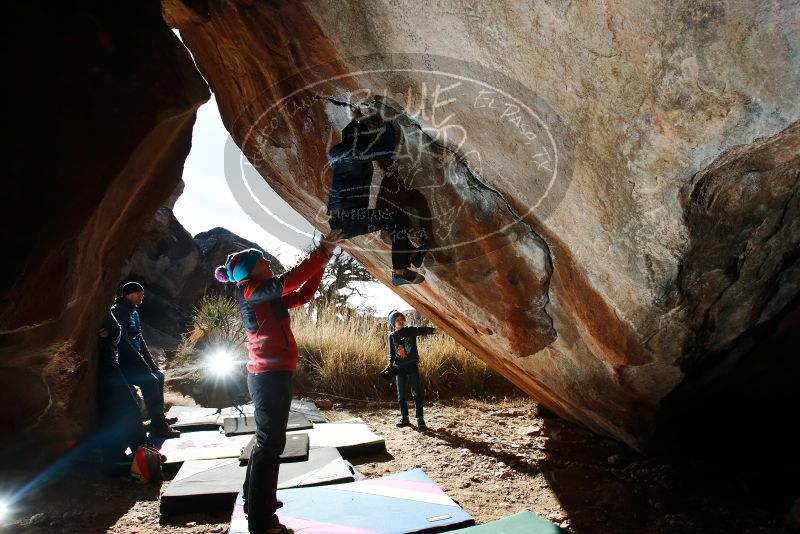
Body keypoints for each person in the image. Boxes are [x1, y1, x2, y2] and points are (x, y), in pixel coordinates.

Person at [214, 232, 343, 534]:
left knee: (265, 443)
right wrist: (323, 251)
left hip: (269, 376)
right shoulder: (251, 291)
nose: (268, 261)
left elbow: (301, 295)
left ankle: (254, 502)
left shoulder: (260, 293)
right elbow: (292, 282)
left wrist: (322, 264)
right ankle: (261, 521)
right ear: (249, 271)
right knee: (271, 446)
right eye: (262, 260)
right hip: (268, 377)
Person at [326, 105, 427, 286]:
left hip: (346, 218)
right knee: (395, 219)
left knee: (394, 221)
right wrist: (387, 122)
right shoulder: (352, 153)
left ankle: (408, 255)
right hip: (347, 218)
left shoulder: (344, 154)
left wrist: (355, 121)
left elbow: (352, 138)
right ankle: (400, 268)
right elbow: (386, 149)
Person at [111, 281, 180, 439]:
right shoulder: (120, 310)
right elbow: (122, 341)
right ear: (130, 294)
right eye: (139, 293)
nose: (142, 296)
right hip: (124, 360)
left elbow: (139, 339)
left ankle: (159, 417)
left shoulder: (133, 311)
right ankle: (159, 426)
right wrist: (141, 361)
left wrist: (150, 363)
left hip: (136, 358)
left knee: (159, 376)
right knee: (150, 381)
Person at [95, 311, 150, 465]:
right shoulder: (103, 306)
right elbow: (117, 332)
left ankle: (114, 456)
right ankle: (142, 452)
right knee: (128, 408)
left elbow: (116, 332)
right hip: (108, 365)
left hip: (106, 364)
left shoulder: (104, 308)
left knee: (110, 411)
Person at [387, 310, 435, 429]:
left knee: (416, 393)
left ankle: (420, 419)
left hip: (412, 365)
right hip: (399, 367)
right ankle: (405, 418)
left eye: (402, 319)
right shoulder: (392, 336)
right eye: (397, 320)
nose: (400, 321)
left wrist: (433, 331)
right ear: (394, 323)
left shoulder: (410, 330)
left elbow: (421, 330)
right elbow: (392, 352)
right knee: (401, 395)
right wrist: (390, 363)